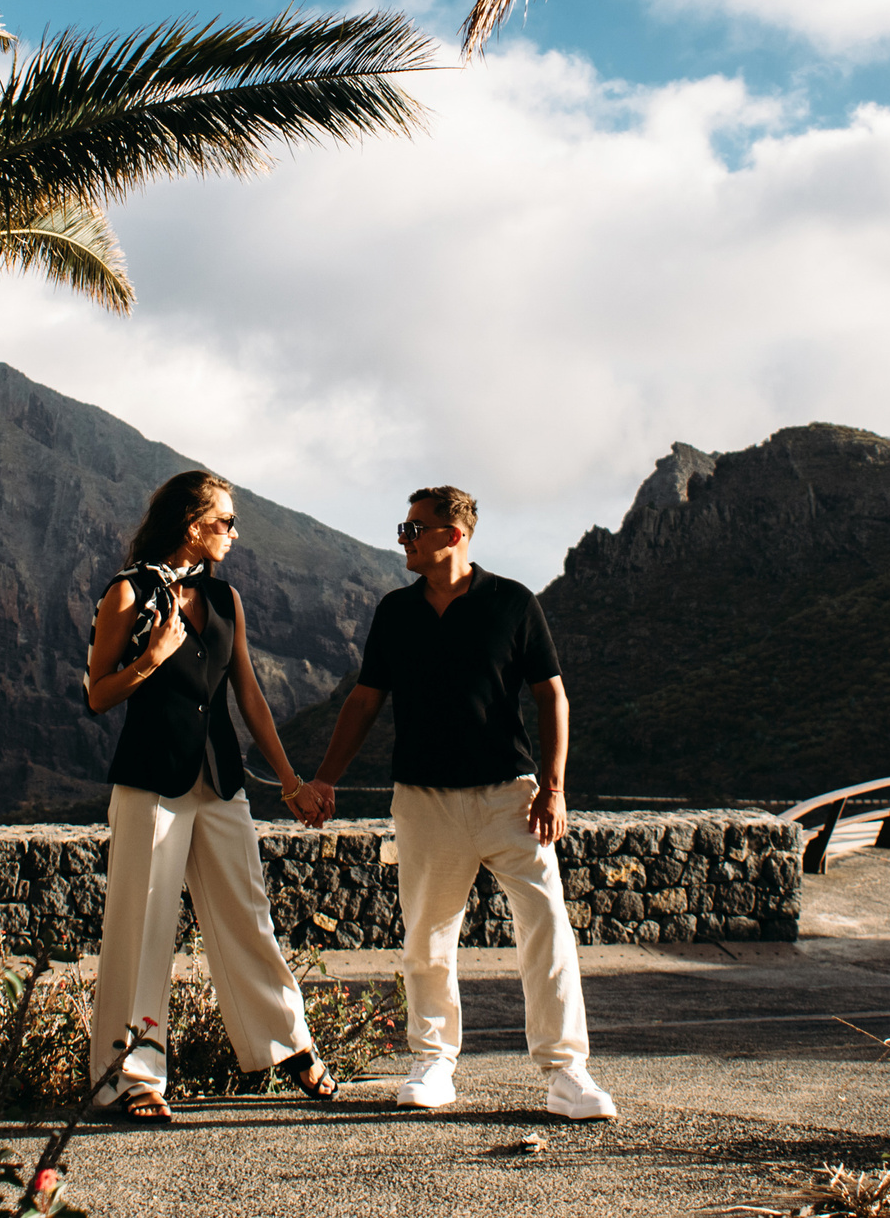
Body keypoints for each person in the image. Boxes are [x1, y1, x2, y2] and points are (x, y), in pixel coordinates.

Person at [301, 486, 616, 1121]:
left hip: (512, 798)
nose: (404, 538)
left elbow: (552, 697)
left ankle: (567, 1073)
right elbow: (364, 700)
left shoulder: (513, 602)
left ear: (454, 535)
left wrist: (554, 789)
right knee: (426, 936)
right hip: (424, 801)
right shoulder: (395, 611)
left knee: (547, 927)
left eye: (414, 528)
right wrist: (325, 779)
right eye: (404, 527)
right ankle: (433, 1063)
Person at [83, 468, 337, 1123]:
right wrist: (151, 657)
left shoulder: (226, 598)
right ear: (193, 524)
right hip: (151, 781)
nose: (233, 532)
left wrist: (290, 781)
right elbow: (98, 693)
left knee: (247, 913)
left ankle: (288, 1044)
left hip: (221, 780)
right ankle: (130, 1078)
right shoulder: (127, 592)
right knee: (142, 926)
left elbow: (248, 694)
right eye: (225, 521)